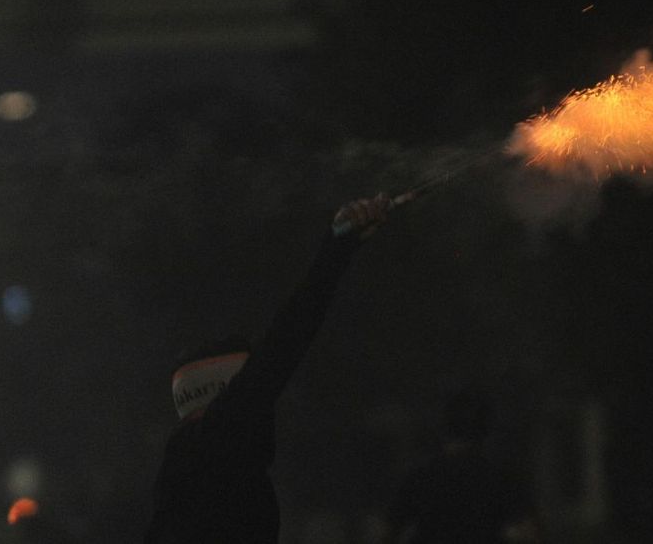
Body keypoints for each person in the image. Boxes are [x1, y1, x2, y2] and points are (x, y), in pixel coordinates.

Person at [144, 194, 391, 544]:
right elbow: (288, 337)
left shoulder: (180, 472)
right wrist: (337, 247)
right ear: (228, 388)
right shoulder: (225, 436)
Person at [382, 391, 540, 544]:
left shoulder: (419, 477)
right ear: (486, 431)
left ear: (443, 429)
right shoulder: (502, 479)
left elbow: (388, 533)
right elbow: (531, 534)